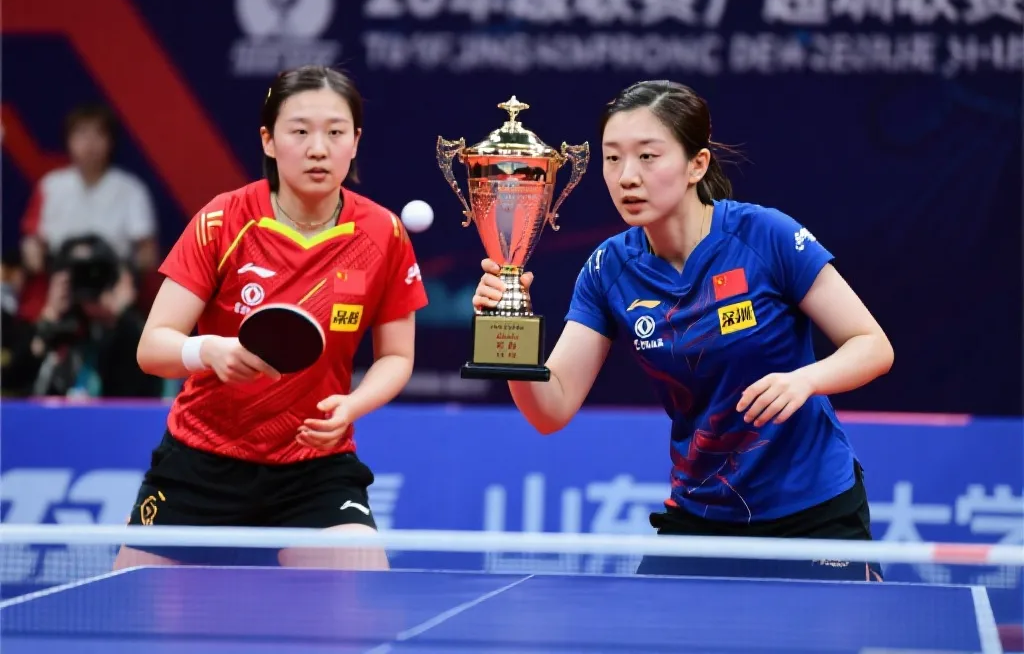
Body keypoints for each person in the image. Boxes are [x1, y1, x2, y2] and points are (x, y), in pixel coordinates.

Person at [472, 80, 894, 582]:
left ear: (697, 164)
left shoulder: (765, 236)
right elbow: (551, 409)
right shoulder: (609, 269)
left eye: (648, 156)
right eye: (613, 158)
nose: (627, 177)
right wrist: (510, 332)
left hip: (812, 511)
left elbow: (872, 345)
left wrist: (805, 380)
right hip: (703, 517)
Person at [114, 65, 428, 571]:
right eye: (299, 131)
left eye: (335, 132)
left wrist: (352, 406)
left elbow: (396, 356)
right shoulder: (223, 220)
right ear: (268, 140)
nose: (318, 148)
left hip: (314, 468)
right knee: (133, 611)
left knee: (362, 594)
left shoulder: (383, 234)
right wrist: (208, 351)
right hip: (201, 460)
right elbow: (152, 348)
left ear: (355, 142)